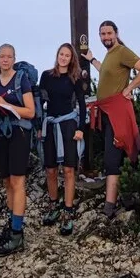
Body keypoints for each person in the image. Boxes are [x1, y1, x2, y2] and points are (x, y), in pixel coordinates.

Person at [82, 20, 140, 219]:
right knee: (119, 155)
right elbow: (106, 72)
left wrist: (129, 89)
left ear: (116, 33)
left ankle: (109, 207)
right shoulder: (111, 55)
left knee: (113, 157)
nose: (106, 37)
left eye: (109, 33)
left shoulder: (122, 51)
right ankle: (127, 197)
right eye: (102, 34)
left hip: (118, 112)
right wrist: (93, 59)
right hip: (107, 113)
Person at [0, 43, 35, 255]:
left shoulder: (21, 80)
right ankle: (11, 223)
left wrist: (7, 105)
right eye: (2, 56)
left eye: (9, 56)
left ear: (14, 59)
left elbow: (31, 111)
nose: (5, 60)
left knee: (18, 181)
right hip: (1, 134)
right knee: (6, 181)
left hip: (19, 134)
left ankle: (17, 234)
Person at [38, 43, 87, 236]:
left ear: (71, 58)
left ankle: (68, 211)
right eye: (61, 54)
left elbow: (82, 105)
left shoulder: (74, 78)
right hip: (49, 124)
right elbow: (39, 101)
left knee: (68, 169)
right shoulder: (46, 76)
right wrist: (38, 126)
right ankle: (53, 205)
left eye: (67, 55)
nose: (63, 58)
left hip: (68, 125)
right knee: (50, 169)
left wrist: (81, 129)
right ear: (57, 55)